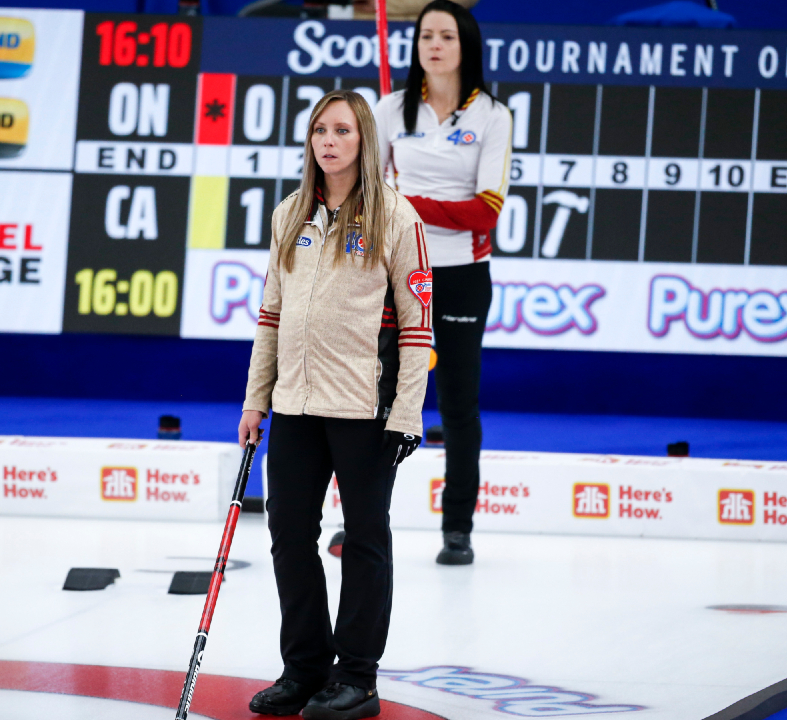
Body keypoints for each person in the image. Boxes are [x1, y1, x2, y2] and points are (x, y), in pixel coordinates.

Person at [239, 89, 430, 720]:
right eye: (320, 130)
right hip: (294, 403)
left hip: (363, 407)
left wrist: (406, 412)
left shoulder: (396, 217)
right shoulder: (290, 214)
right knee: (290, 536)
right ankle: (305, 669)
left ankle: (357, 678)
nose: (329, 141)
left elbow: (417, 326)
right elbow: (271, 316)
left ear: (364, 139)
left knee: (366, 541)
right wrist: (256, 400)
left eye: (342, 130)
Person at [374, 0, 510, 566]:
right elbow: (369, 196)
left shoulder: (492, 116)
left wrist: (406, 203)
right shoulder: (388, 108)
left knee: (457, 406)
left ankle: (458, 529)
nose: (433, 44)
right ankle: (361, 520)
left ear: (465, 45)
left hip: (461, 274)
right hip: (396, 270)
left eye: (446, 35)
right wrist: (397, 207)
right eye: (426, 35)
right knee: (376, 400)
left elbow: (484, 213)